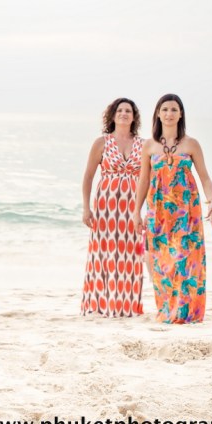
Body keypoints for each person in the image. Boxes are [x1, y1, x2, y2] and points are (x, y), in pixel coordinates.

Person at [135, 93, 212, 324]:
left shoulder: (191, 144)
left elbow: (205, 177)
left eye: (173, 109)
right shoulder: (149, 145)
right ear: (158, 114)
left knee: (186, 260)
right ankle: (167, 311)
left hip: (187, 210)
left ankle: (187, 312)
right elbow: (143, 180)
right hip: (158, 210)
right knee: (161, 261)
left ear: (180, 114)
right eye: (165, 109)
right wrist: (137, 211)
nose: (169, 114)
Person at [80, 97, 145, 317]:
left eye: (128, 111)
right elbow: (88, 176)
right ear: (113, 115)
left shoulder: (143, 144)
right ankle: (101, 305)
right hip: (105, 207)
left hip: (133, 208)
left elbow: (150, 179)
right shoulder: (102, 143)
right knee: (104, 254)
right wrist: (86, 208)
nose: (124, 114)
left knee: (131, 255)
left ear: (134, 117)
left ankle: (127, 306)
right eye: (120, 111)